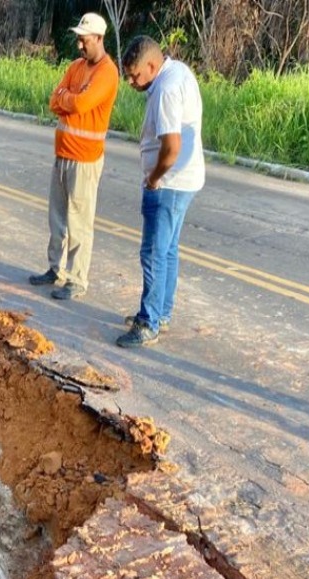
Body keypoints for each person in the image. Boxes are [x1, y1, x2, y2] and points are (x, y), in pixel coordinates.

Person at [116, 36, 205, 348]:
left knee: (153, 253)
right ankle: (162, 314)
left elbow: (171, 147)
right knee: (167, 250)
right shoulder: (178, 71)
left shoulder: (165, 90)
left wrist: (154, 179)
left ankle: (148, 321)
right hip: (186, 180)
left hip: (169, 184)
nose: (130, 82)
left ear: (152, 66)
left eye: (135, 75)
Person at [27, 12, 119, 300]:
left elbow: (80, 104)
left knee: (79, 222)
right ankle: (55, 269)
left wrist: (68, 99)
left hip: (85, 159)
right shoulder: (76, 66)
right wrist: (68, 99)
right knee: (57, 219)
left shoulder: (107, 72)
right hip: (63, 154)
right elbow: (55, 99)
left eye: (84, 41)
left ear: (100, 39)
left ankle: (77, 280)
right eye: (79, 40)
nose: (80, 46)